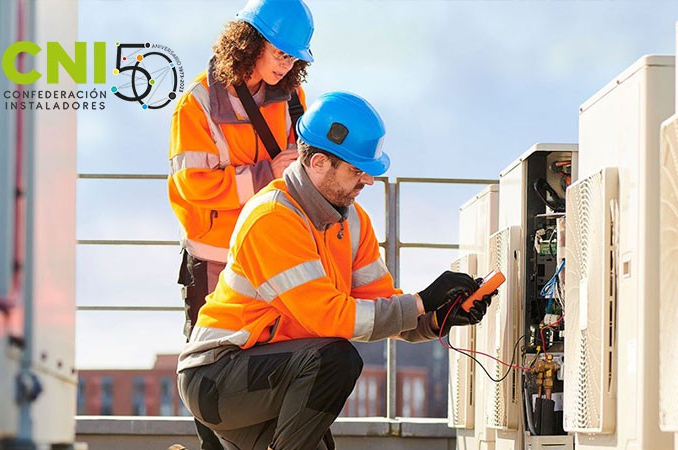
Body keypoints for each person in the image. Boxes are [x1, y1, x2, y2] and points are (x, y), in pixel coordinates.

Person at [176, 91, 493, 450]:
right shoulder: (272, 218)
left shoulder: (353, 222)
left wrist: (438, 316)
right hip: (218, 377)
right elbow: (329, 318)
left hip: (275, 373)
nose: (368, 181)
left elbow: (381, 305)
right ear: (319, 163)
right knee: (337, 360)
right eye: (357, 170)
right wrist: (421, 301)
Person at [167, 1, 314, 448]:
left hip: (271, 256)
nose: (285, 66)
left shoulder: (293, 99)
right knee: (209, 371)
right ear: (249, 43)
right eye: (279, 54)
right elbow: (195, 186)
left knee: (268, 364)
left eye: (293, 58)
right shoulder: (195, 104)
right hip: (213, 262)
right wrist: (270, 172)